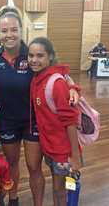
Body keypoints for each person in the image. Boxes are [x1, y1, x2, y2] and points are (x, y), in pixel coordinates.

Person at [0, 6, 79, 206]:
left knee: (33, 166)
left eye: (13, 29)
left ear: (21, 30)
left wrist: (73, 87)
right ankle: (13, 200)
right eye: (4, 31)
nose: (9, 34)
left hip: (32, 121)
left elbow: (59, 71)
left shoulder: (32, 53)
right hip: (7, 121)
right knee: (11, 163)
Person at [28, 37, 81, 206]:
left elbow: (70, 122)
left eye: (40, 55)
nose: (34, 60)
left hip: (63, 152)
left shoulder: (56, 83)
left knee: (60, 192)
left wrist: (75, 156)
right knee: (58, 189)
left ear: (50, 57)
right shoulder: (37, 78)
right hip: (49, 147)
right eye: (30, 55)